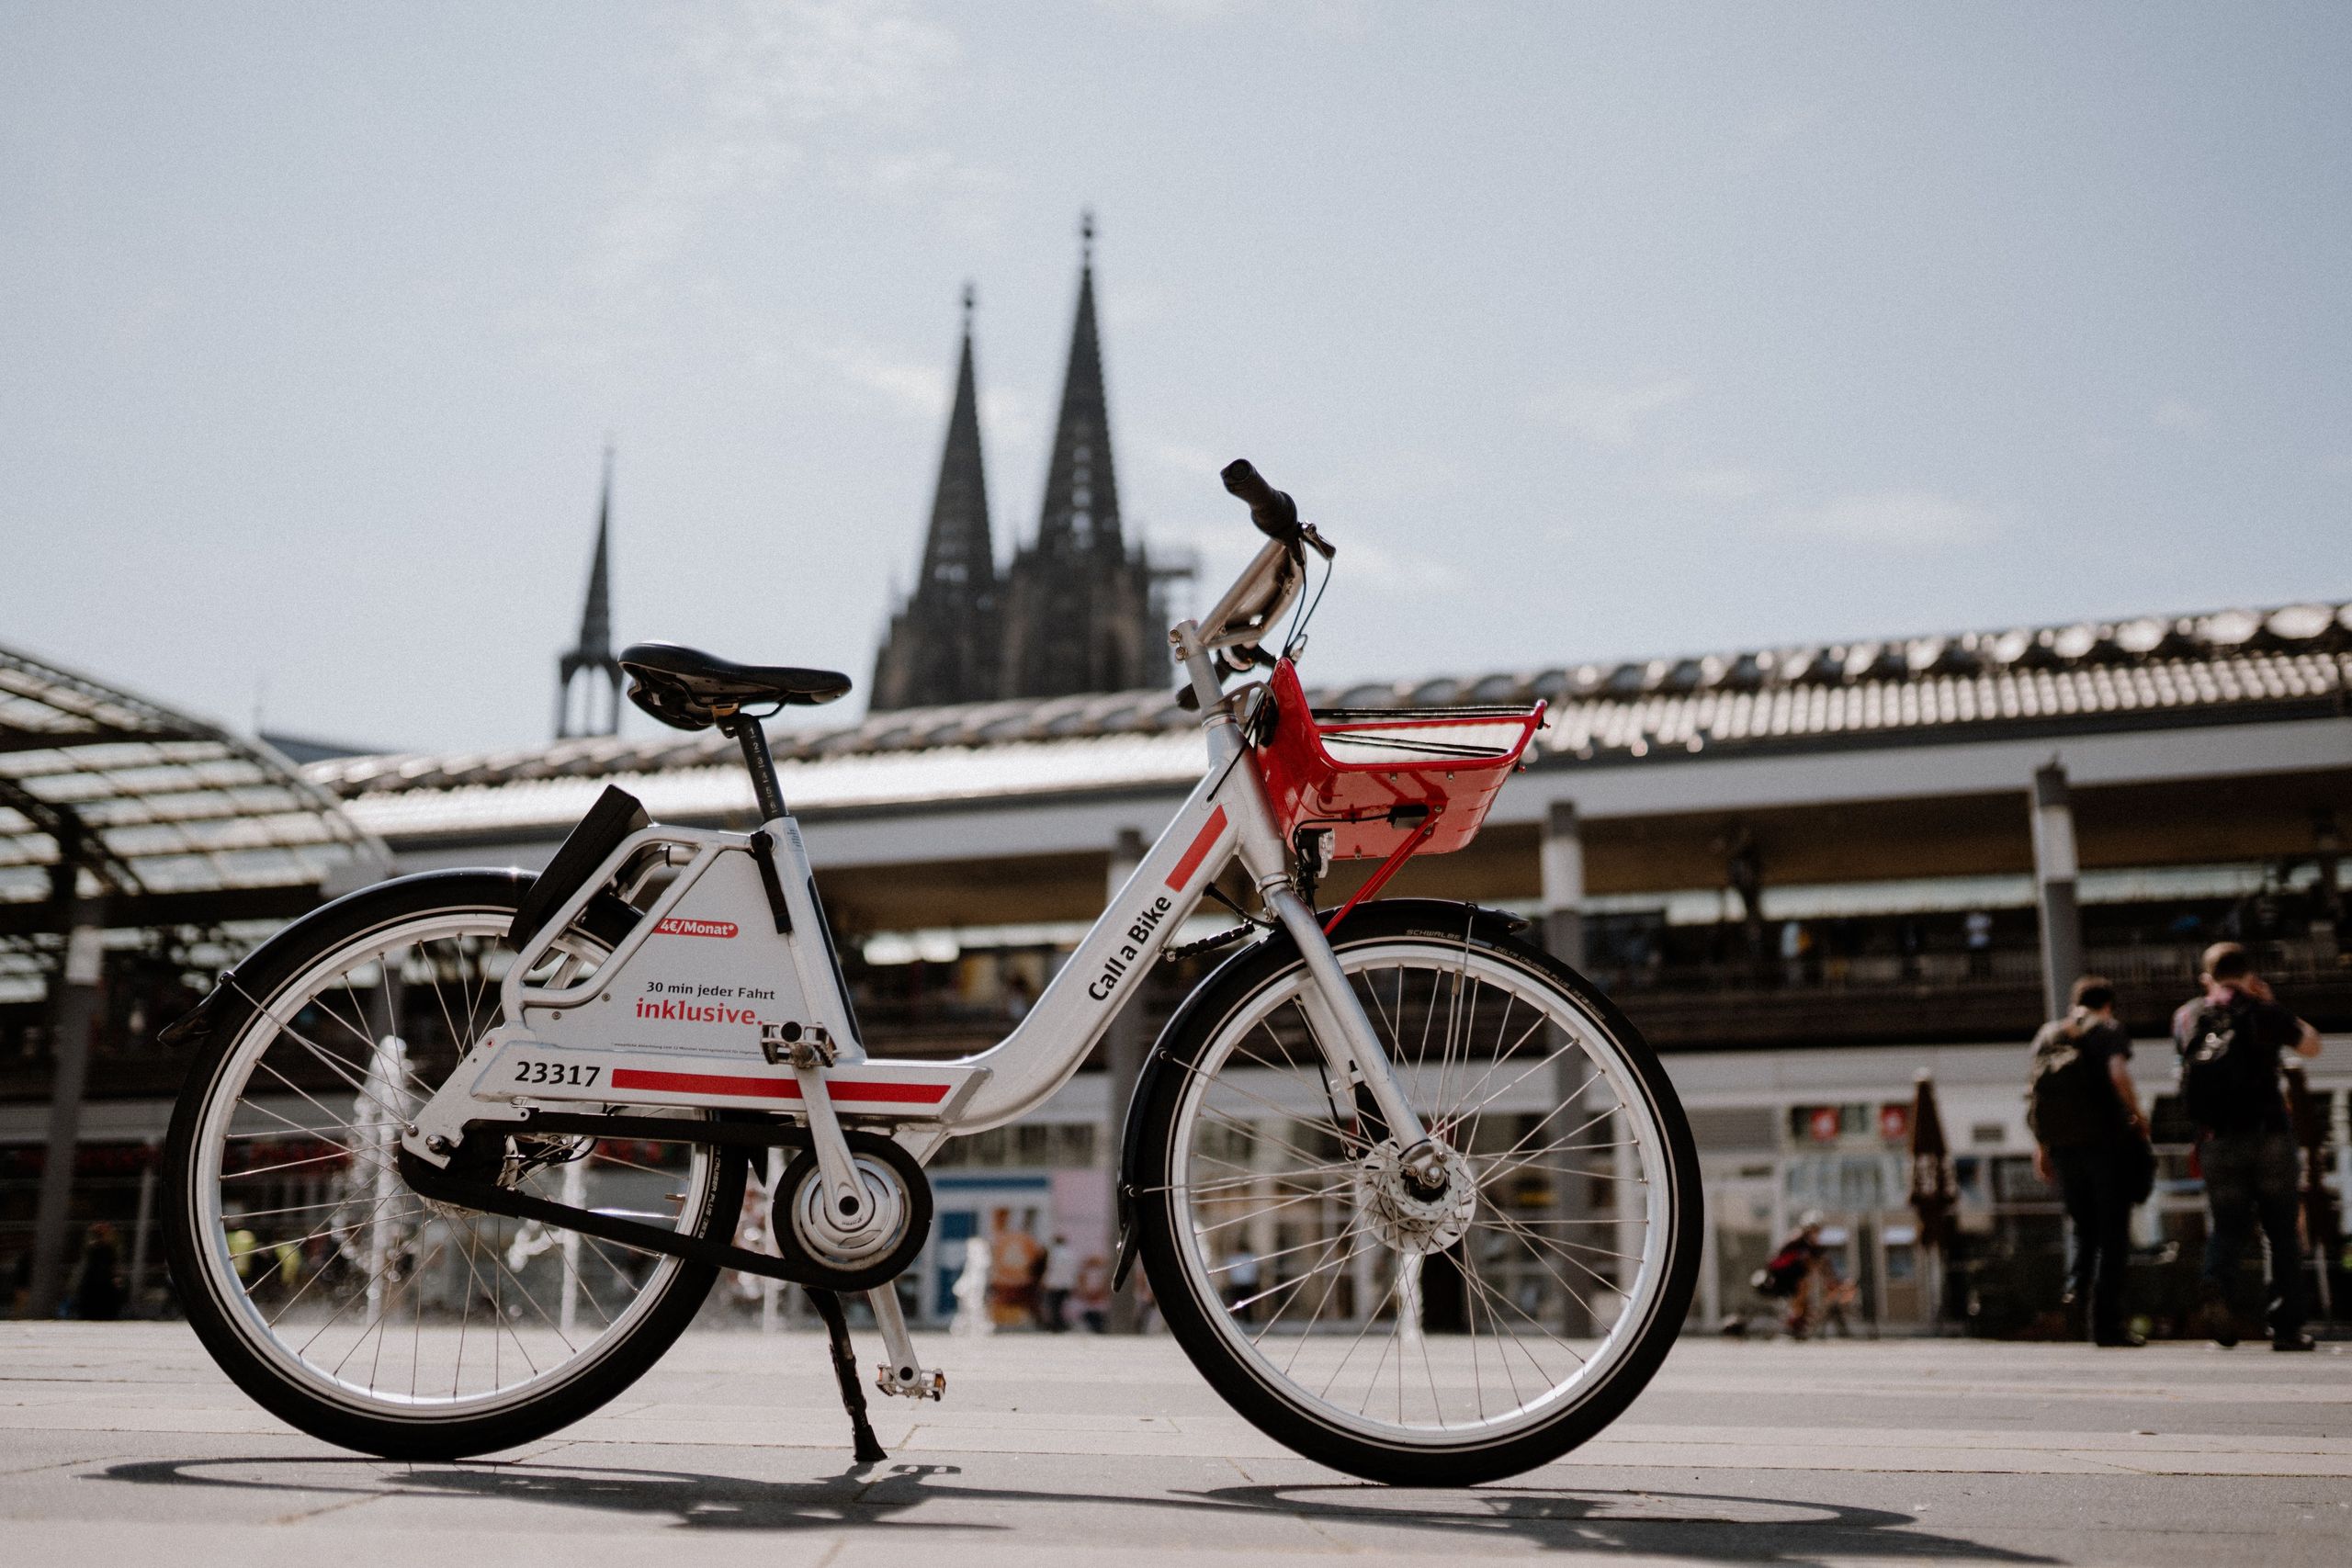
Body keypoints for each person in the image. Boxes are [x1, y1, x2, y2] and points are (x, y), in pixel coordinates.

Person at [2173, 942, 2324, 1351]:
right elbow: (2311, 1045)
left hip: (2216, 1140)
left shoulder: (2188, 1016)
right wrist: (2271, 1003)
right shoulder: (2263, 1011)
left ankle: (2217, 1285)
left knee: (2227, 1226)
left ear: (2207, 978)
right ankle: (2287, 1328)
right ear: (2249, 974)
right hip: (2269, 1133)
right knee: (2281, 1232)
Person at [2030, 976, 2148, 1347]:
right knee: (2113, 1235)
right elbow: (2117, 1075)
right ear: (2108, 1004)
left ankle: (2074, 1293)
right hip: (2105, 1145)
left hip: (2064, 1148)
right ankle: (2107, 1324)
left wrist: (2043, 1147)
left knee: (2083, 1229)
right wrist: (2137, 1114)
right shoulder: (2108, 1030)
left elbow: (2035, 1094)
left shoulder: (2048, 1035)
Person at [72, 1222, 123, 1321]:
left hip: (99, 1282)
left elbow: (113, 1265)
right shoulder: (96, 1248)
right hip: (97, 1281)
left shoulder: (105, 1249)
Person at [1037, 1233, 1078, 1332]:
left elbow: (1050, 1269)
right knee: (1060, 1306)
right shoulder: (1070, 1254)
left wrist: (1044, 1281)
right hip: (1066, 1284)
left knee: (1053, 1306)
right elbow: (1073, 1271)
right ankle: (1061, 1325)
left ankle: (1056, 1326)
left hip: (1054, 1284)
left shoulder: (1054, 1253)